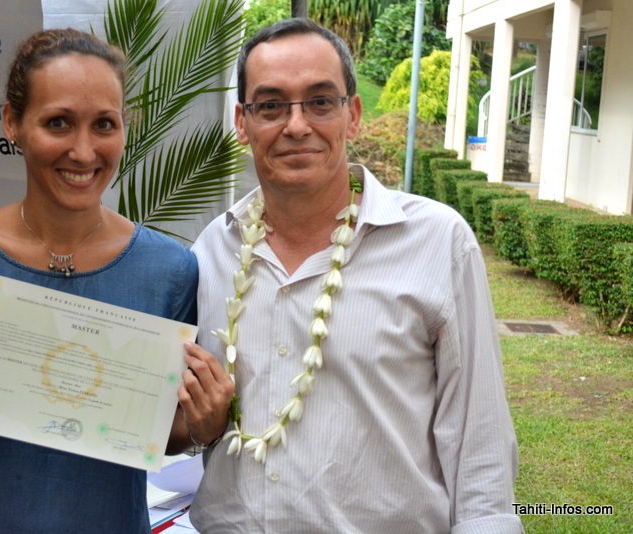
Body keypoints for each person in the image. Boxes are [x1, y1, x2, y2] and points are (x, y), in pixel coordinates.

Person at [0, 28, 232, 533]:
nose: (83, 151)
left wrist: (205, 423)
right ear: (12, 123)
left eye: (104, 125)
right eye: (58, 123)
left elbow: (165, 435)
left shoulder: (168, 271)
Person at [188, 18, 523, 533]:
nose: (296, 125)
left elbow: (480, 448)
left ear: (353, 114)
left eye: (320, 102)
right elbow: (185, 418)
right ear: (242, 122)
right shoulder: (211, 250)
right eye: (271, 105)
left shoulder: (437, 242)